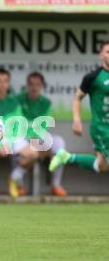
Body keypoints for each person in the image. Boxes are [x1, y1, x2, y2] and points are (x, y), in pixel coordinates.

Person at [50, 40, 109, 175]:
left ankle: (67, 157)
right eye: (108, 52)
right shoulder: (93, 77)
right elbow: (77, 98)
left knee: (103, 166)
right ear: (101, 55)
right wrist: (76, 120)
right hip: (102, 128)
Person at [0, 68, 37, 198]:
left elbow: (19, 127)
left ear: (9, 83)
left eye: (5, 81)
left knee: (32, 154)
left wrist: (8, 144)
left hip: (11, 139)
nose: (2, 84)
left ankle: (14, 179)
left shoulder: (14, 102)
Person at [16, 72, 67, 196]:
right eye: (31, 84)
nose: (34, 87)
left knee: (59, 143)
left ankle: (55, 185)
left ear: (42, 86)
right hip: (22, 137)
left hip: (38, 138)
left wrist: (35, 139)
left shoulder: (46, 102)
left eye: (38, 84)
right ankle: (19, 185)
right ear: (27, 86)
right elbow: (16, 123)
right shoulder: (18, 100)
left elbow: (44, 125)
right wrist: (30, 138)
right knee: (16, 145)